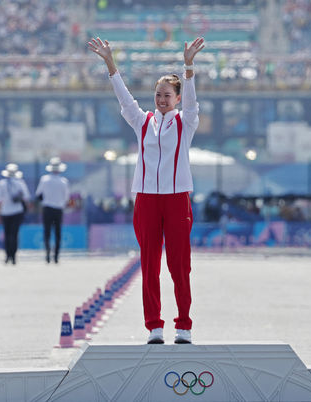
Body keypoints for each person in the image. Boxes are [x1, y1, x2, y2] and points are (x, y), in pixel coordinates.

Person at [88, 36, 205, 344]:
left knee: (179, 266)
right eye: (157, 95)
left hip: (177, 198)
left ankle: (184, 326)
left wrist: (188, 67)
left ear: (177, 98)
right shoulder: (143, 122)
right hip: (146, 200)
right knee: (149, 264)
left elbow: (192, 99)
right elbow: (125, 98)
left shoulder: (186, 121)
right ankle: (154, 326)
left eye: (167, 95)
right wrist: (109, 62)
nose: (161, 99)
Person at [0, 163, 30, 265]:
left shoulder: (2, 183)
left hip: (5, 212)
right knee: (14, 234)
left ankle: (7, 255)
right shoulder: (20, 183)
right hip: (17, 212)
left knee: (7, 234)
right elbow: (26, 198)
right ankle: (13, 256)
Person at [35, 157, 70, 263]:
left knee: (47, 232)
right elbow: (66, 198)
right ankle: (56, 256)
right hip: (58, 209)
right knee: (58, 233)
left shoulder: (44, 180)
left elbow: (38, 194)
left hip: (47, 208)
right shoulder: (63, 181)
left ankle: (47, 254)